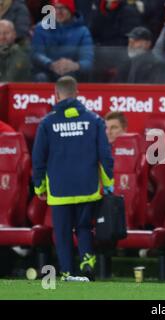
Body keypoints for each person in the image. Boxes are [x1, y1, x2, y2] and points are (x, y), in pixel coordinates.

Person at [32, 76, 114, 281]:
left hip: (60, 190)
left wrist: (39, 186)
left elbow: (38, 159)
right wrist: (109, 184)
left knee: (62, 233)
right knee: (85, 228)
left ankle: (68, 272)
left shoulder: (47, 124)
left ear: (56, 95)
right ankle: (88, 265)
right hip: (88, 187)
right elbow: (105, 155)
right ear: (77, 93)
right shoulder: (94, 120)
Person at [31, 0, 94, 82]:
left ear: (71, 10)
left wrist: (75, 65)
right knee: (40, 77)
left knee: (68, 78)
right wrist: (51, 64)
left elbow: (88, 61)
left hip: (72, 75)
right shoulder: (41, 27)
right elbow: (36, 54)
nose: (58, 12)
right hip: (46, 72)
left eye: (63, 8)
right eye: (55, 8)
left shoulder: (83, 31)